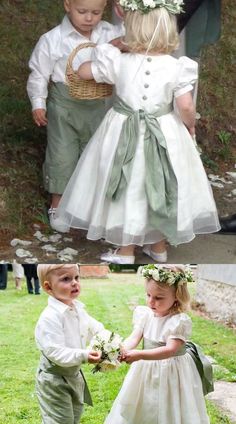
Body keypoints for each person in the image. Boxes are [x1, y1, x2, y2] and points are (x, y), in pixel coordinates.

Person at [54, 0, 220, 263]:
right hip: (165, 131)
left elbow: (82, 72)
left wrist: (108, 48)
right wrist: (189, 124)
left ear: (132, 29)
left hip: (123, 131)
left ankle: (126, 250)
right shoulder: (177, 66)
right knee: (163, 185)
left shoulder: (119, 62)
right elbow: (186, 105)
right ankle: (159, 247)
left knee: (127, 185)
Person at [27, 0, 124, 231]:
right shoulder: (53, 39)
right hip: (64, 104)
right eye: (82, 12)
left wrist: (125, 18)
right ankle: (58, 204)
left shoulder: (109, 31)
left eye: (96, 12)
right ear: (67, 5)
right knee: (62, 152)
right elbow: (39, 73)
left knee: (96, 153)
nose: (89, 18)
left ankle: (90, 206)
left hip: (99, 104)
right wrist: (38, 103)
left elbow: (131, 40)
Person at [102, 264, 213, 424]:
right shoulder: (145, 314)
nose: (151, 301)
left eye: (159, 298)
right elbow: (134, 337)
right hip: (148, 368)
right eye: (148, 295)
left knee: (166, 403)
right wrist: (122, 349)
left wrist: (140, 355)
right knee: (149, 402)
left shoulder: (178, 321)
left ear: (177, 296)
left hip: (171, 370)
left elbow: (170, 350)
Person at [35, 264, 104, 424]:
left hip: (73, 374)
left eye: (76, 277)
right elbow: (55, 351)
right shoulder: (50, 317)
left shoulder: (76, 308)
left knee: (74, 412)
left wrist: (105, 338)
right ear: (48, 288)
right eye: (66, 279)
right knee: (60, 417)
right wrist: (84, 355)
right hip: (54, 378)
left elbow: (93, 327)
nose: (74, 283)